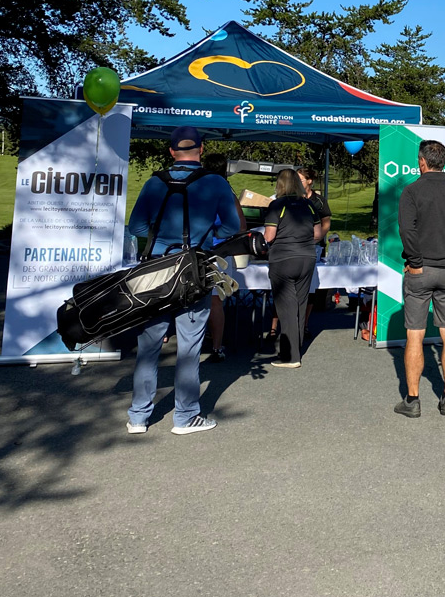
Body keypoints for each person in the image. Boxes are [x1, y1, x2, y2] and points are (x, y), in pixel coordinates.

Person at [125, 126, 241, 435]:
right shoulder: (215, 183)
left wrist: (161, 238)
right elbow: (231, 227)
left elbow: (136, 226)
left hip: (155, 271)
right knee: (189, 346)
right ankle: (186, 416)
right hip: (194, 269)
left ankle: (138, 416)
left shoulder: (154, 182)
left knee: (148, 346)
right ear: (201, 150)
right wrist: (205, 238)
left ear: (171, 151)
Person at [394, 140, 445, 417]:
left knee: (415, 336)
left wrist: (415, 263)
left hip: (421, 270)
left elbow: (407, 231)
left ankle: (413, 400)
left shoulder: (412, 191)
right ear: (444, 162)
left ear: (422, 161)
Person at [263, 170, 322, 368]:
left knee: (286, 307)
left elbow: (269, 236)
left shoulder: (277, 205)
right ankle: (295, 350)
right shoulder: (308, 204)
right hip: (307, 256)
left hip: (283, 258)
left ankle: (290, 357)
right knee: (300, 303)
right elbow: (318, 233)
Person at [202, 152, 246, 362]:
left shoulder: (198, 190)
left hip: (200, 251)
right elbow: (241, 226)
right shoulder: (228, 193)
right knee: (216, 301)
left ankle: (208, 343)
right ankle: (217, 346)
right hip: (220, 253)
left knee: (201, 301)